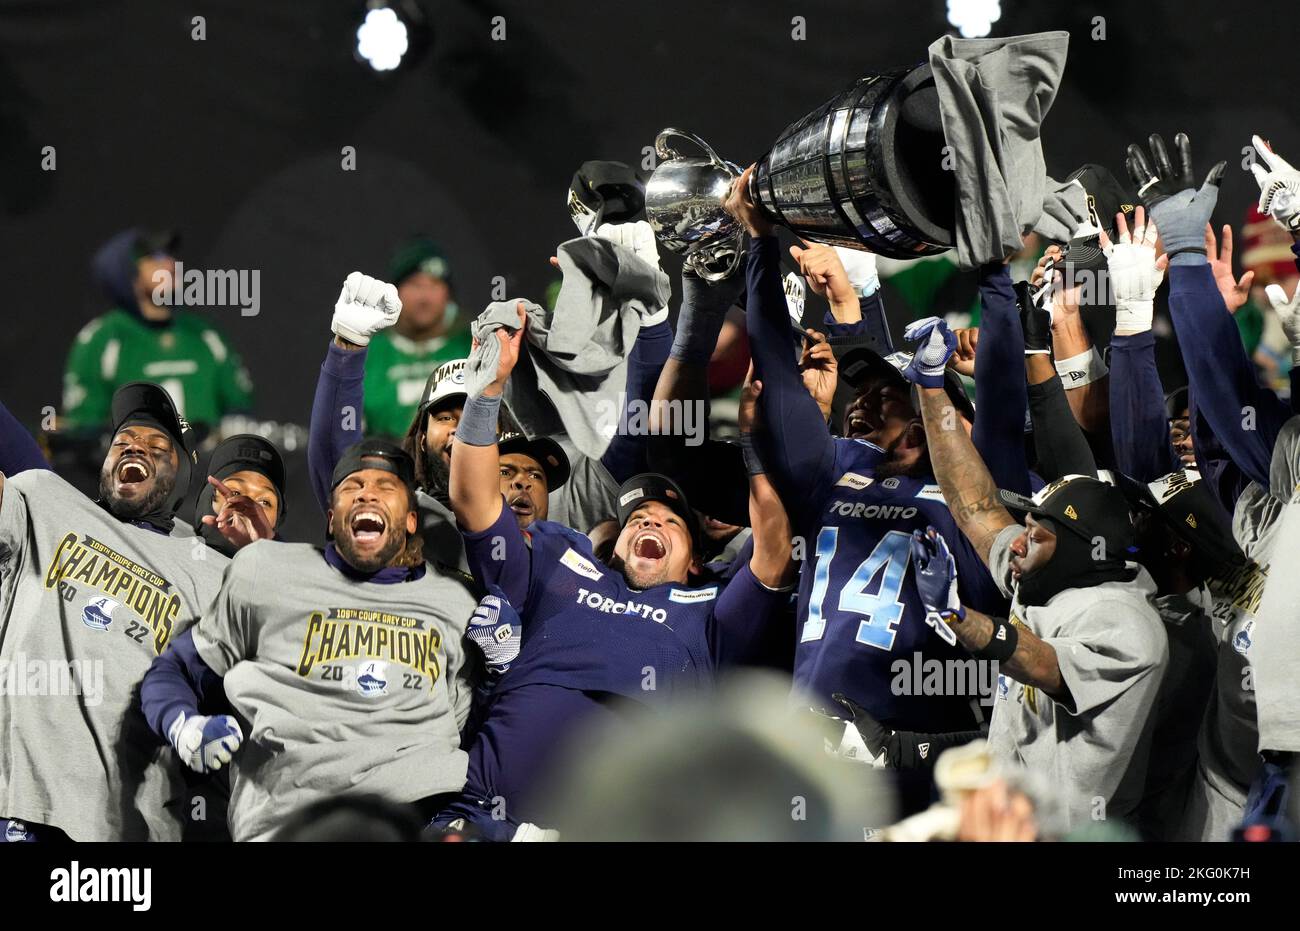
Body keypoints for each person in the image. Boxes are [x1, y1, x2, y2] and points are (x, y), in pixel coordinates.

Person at [433, 312, 797, 837]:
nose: (650, 521)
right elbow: (473, 501)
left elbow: (773, 546)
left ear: (695, 561)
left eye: (670, 522)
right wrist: (486, 391)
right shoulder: (561, 558)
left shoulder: (714, 606)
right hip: (486, 818)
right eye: (638, 519)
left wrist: (757, 437)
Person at [724, 165, 1012, 740]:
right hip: (811, 739)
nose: (863, 406)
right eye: (867, 395)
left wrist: (994, 267)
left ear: (940, 419)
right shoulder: (840, 467)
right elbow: (779, 380)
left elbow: (1002, 400)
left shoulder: (981, 495)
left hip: (925, 741)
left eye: (888, 398)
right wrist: (760, 243)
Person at [899, 311, 1169, 828]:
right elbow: (974, 504)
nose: (1017, 544)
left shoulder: (1128, 619)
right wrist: (932, 386)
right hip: (1009, 828)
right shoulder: (1047, 573)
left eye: (1038, 535)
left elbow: (1042, 662)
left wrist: (958, 618)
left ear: (1081, 547)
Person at [139, 439, 479, 841]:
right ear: (332, 518)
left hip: (413, 819)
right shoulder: (266, 571)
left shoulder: (454, 603)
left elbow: (462, 726)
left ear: (409, 520)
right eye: (353, 486)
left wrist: (502, 663)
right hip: (293, 822)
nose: (368, 491)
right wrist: (183, 726)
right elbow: (174, 670)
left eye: (386, 487)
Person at [0, 382, 228, 841]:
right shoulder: (46, 500)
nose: (135, 446)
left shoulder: (215, 573)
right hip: (17, 806)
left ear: (184, 474)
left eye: (157, 445)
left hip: (129, 828)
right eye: (122, 441)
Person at [62, 228, 253, 437]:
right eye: (155, 259)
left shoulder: (204, 333)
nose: (171, 265)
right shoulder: (101, 340)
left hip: (207, 467)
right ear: (127, 273)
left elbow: (240, 411)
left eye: (169, 256)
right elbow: (84, 428)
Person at [362, 238, 471, 439]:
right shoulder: (369, 354)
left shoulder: (475, 345)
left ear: (448, 293)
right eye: (415, 285)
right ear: (395, 292)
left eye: (434, 285)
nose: (424, 297)